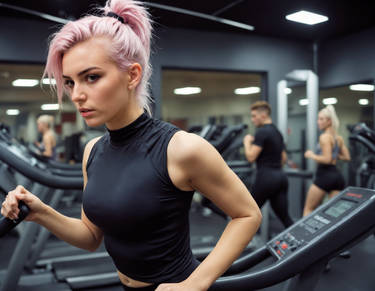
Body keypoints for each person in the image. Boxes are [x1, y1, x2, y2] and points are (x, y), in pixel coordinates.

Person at [1, 1, 262, 290]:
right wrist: (40, 212)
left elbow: (247, 214)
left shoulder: (181, 149)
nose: (76, 95)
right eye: (70, 82)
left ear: (132, 75)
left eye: (91, 77)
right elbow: (90, 237)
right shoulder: (93, 151)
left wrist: (194, 284)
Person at [243, 101, 293, 229]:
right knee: (284, 217)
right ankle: (304, 245)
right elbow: (283, 158)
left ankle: (234, 247)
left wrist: (247, 142)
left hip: (266, 177)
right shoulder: (277, 132)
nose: (252, 119)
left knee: (246, 214)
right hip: (281, 177)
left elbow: (251, 157)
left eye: (254, 116)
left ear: (263, 115)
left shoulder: (261, 132)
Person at [303, 105, 351, 217]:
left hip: (324, 175)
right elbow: (347, 157)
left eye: (321, 119)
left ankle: (305, 235)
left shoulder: (324, 137)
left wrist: (312, 155)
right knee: (333, 215)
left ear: (329, 121)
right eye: (318, 119)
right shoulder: (338, 138)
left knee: (309, 209)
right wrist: (335, 156)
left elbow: (327, 159)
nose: (318, 122)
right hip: (337, 177)